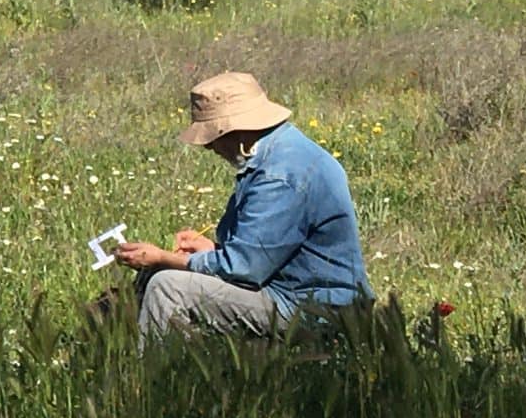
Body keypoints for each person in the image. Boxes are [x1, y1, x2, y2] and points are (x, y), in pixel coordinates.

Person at [114, 71, 373, 344]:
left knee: (167, 286)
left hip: (310, 307)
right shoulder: (284, 149)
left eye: (212, 138)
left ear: (236, 131)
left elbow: (244, 270)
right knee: (163, 274)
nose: (210, 148)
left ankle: (150, 379)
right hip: (294, 290)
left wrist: (162, 258)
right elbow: (264, 251)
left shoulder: (279, 176)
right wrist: (210, 250)